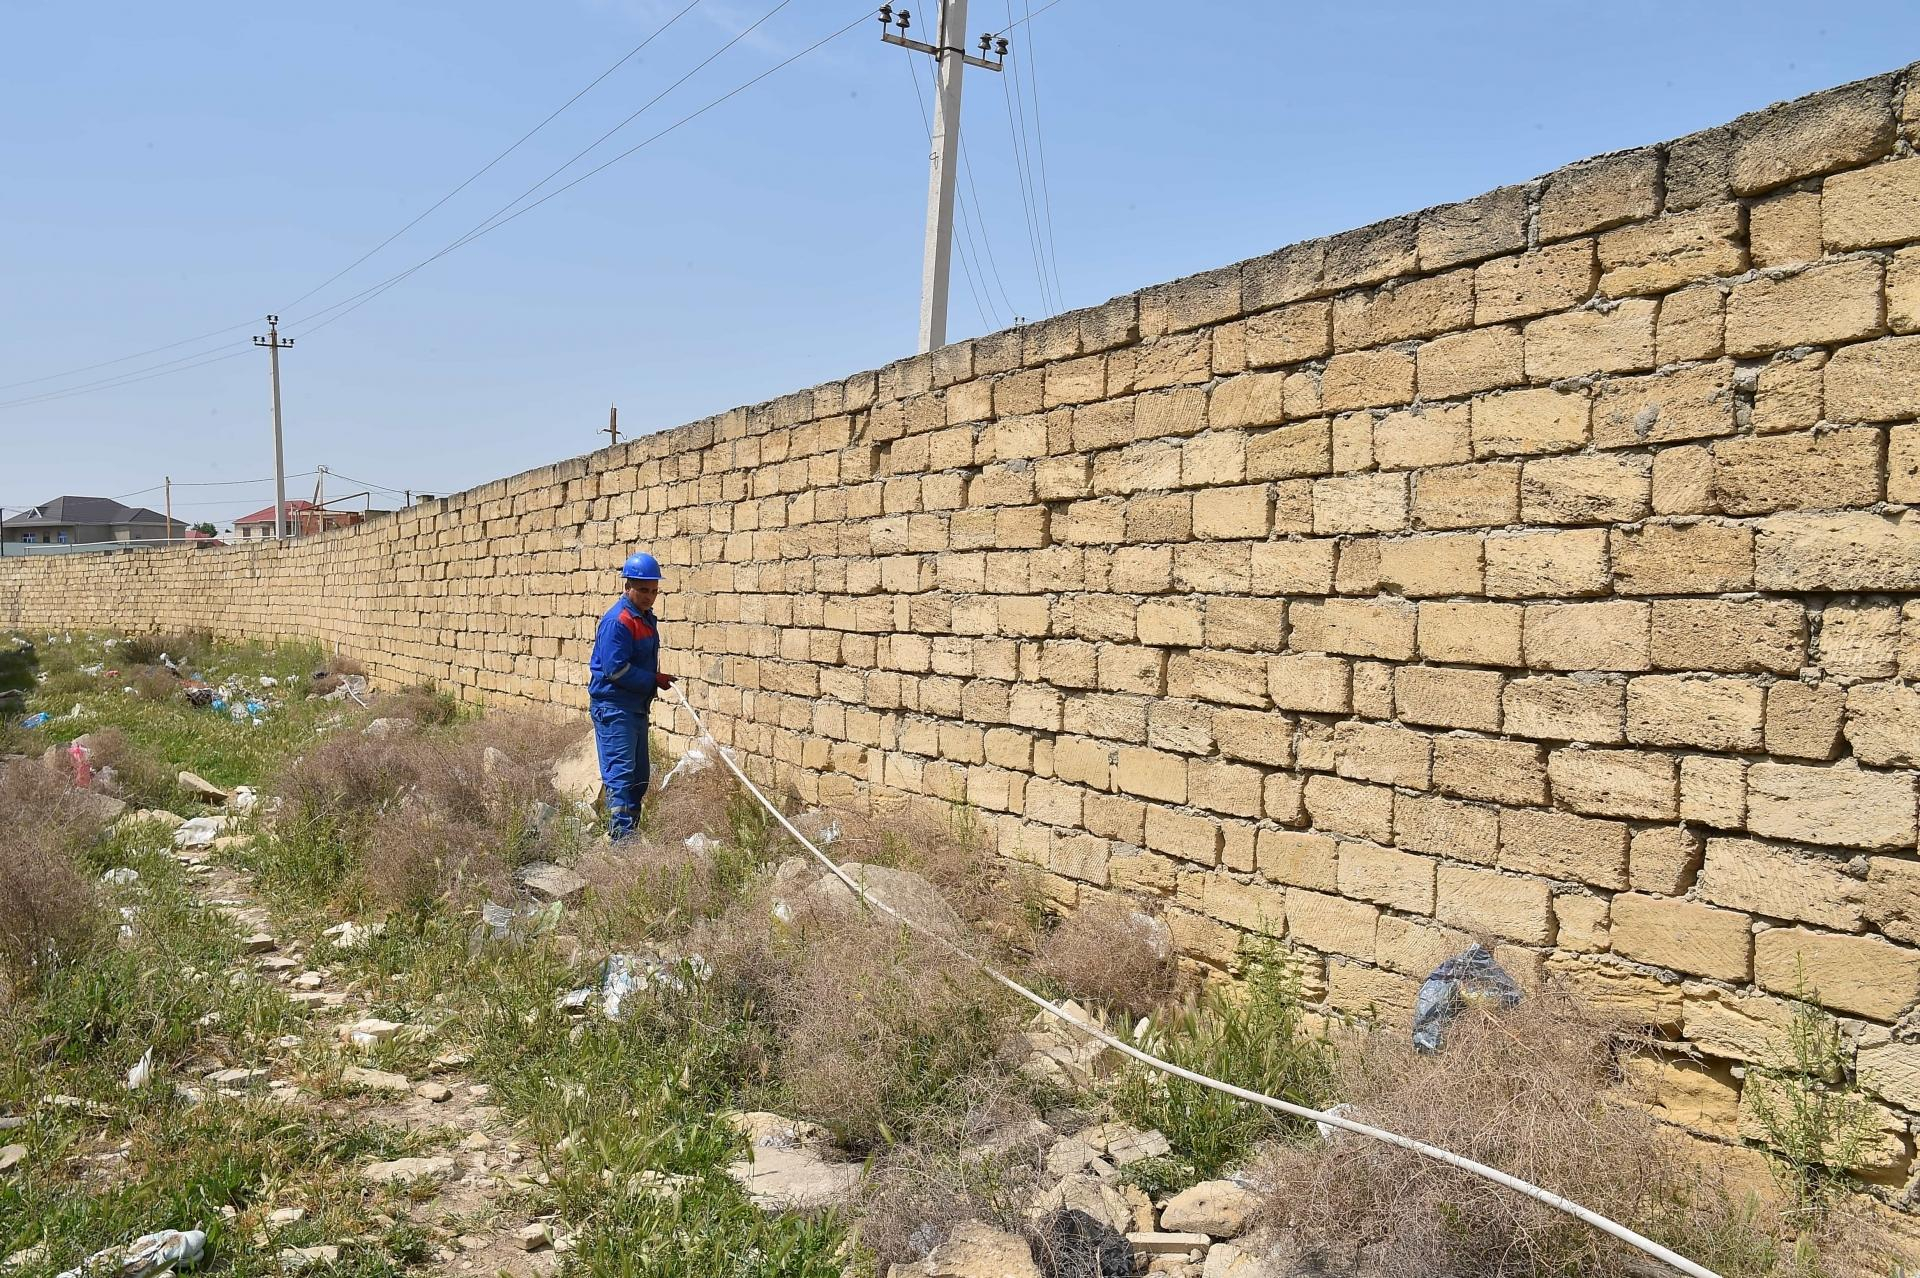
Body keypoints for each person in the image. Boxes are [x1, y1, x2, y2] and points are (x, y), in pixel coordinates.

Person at [588, 552, 674, 838]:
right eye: (643, 590)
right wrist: (652, 679)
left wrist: (655, 679)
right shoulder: (619, 621)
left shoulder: (644, 618)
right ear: (628, 587)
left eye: (654, 591)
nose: (650, 597)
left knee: (639, 778)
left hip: (635, 707)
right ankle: (622, 842)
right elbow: (615, 669)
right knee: (622, 776)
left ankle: (630, 835)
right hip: (615, 708)